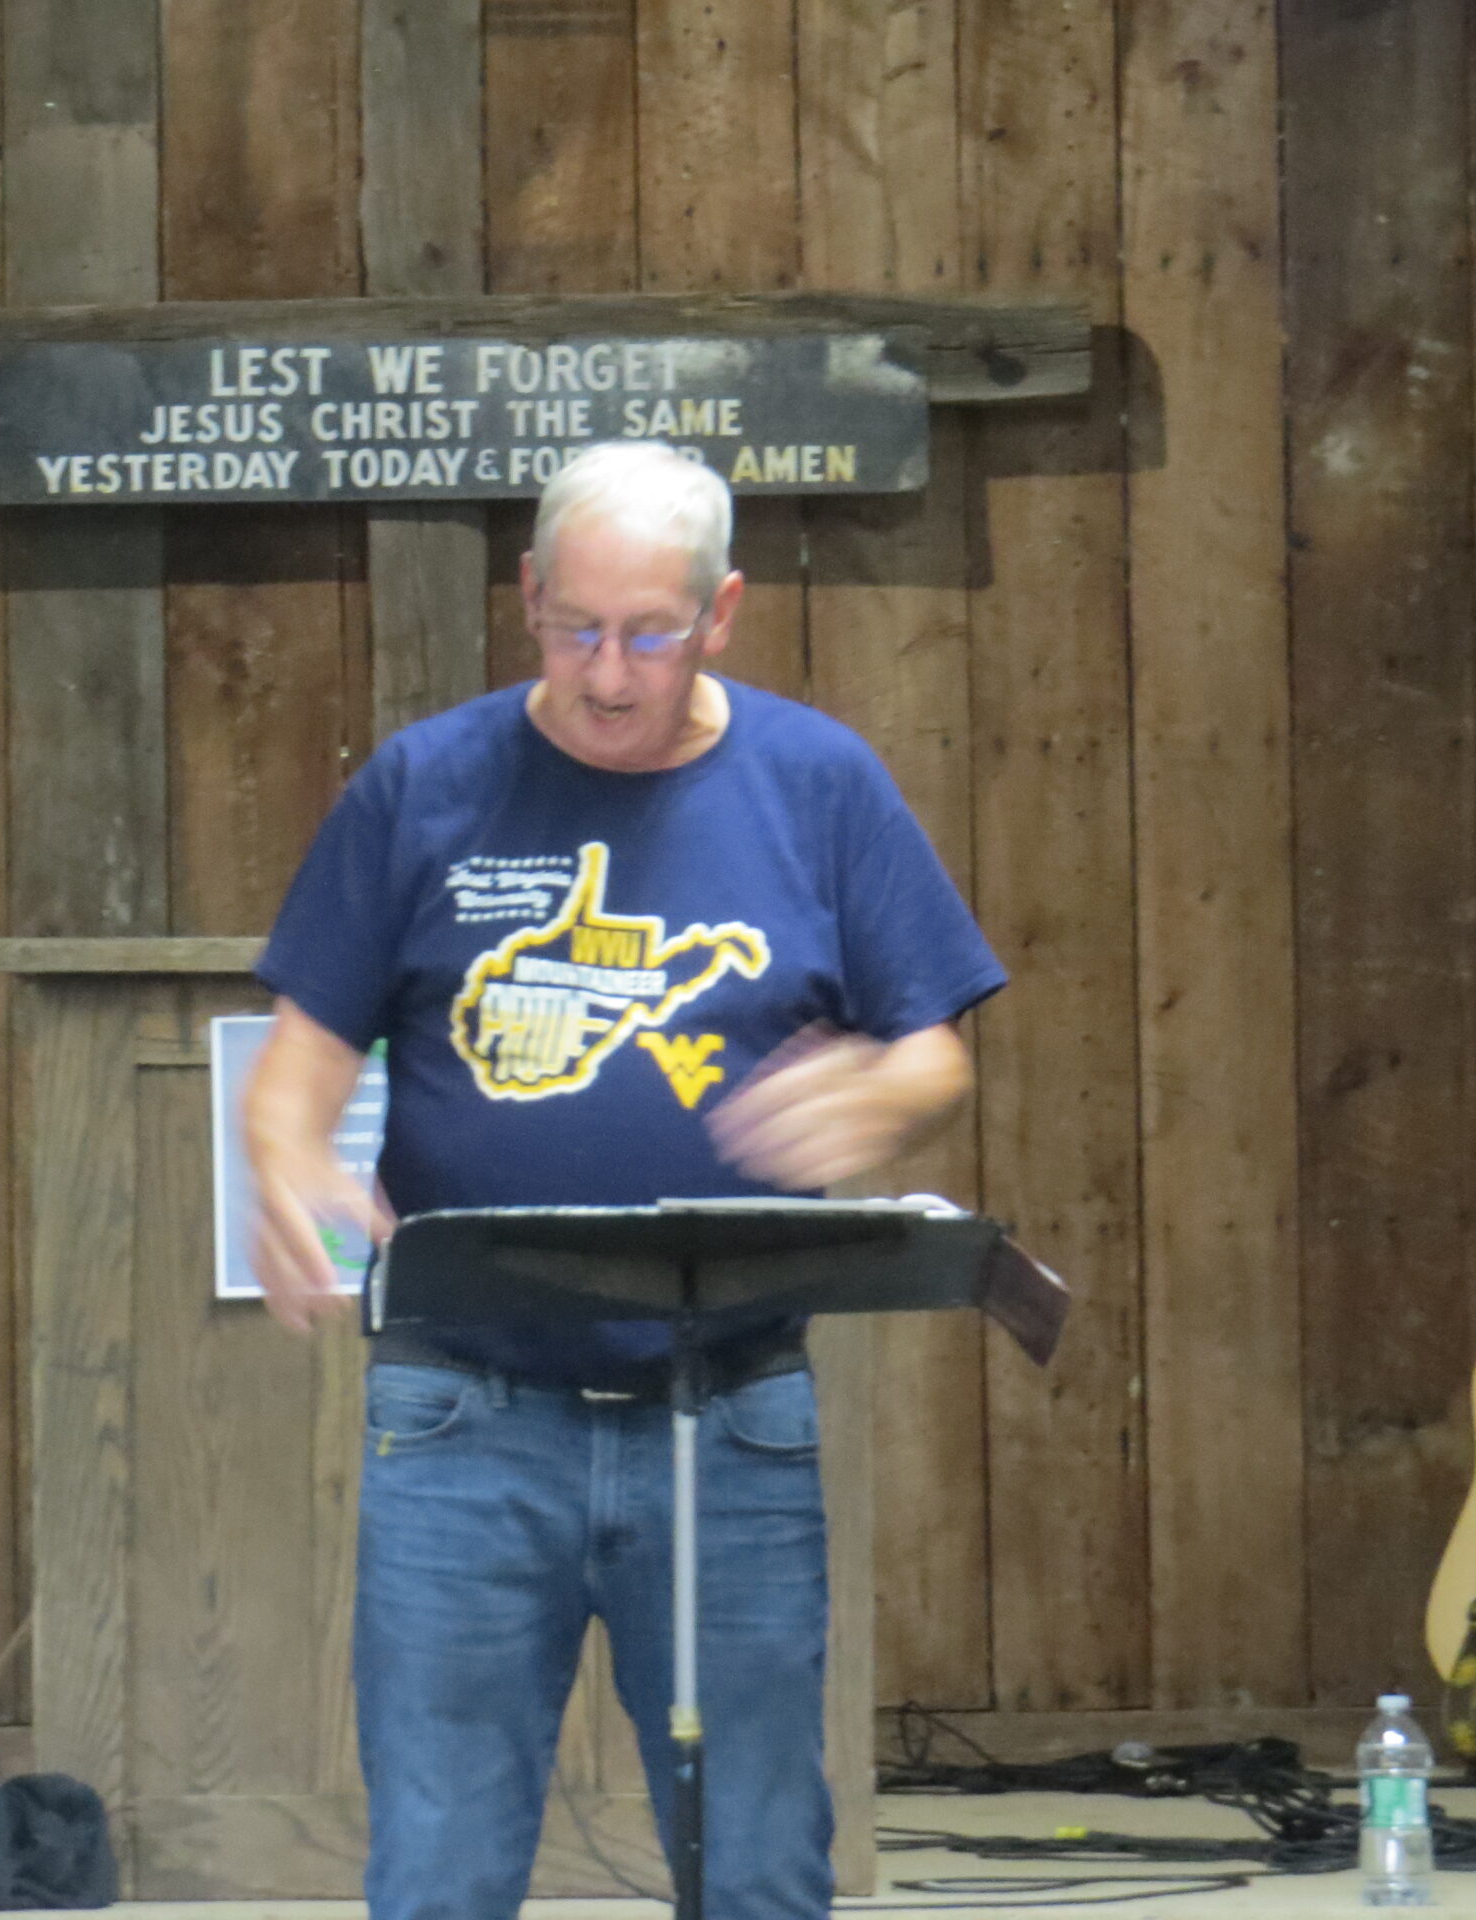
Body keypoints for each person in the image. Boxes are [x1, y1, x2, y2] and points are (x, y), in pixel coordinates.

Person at [242, 440, 1005, 1920]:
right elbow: (301, 1060)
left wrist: (888, 1097)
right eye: (574, 627)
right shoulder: (423, 784)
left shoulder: (819, 783)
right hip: (461, 1415)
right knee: (440, 1871)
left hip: (728, 1410)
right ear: (528, 593)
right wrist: (283, 1156)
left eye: (649, 635)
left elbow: (937, 1054)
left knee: (761, 1865)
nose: (606, 674)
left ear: (722, 611)